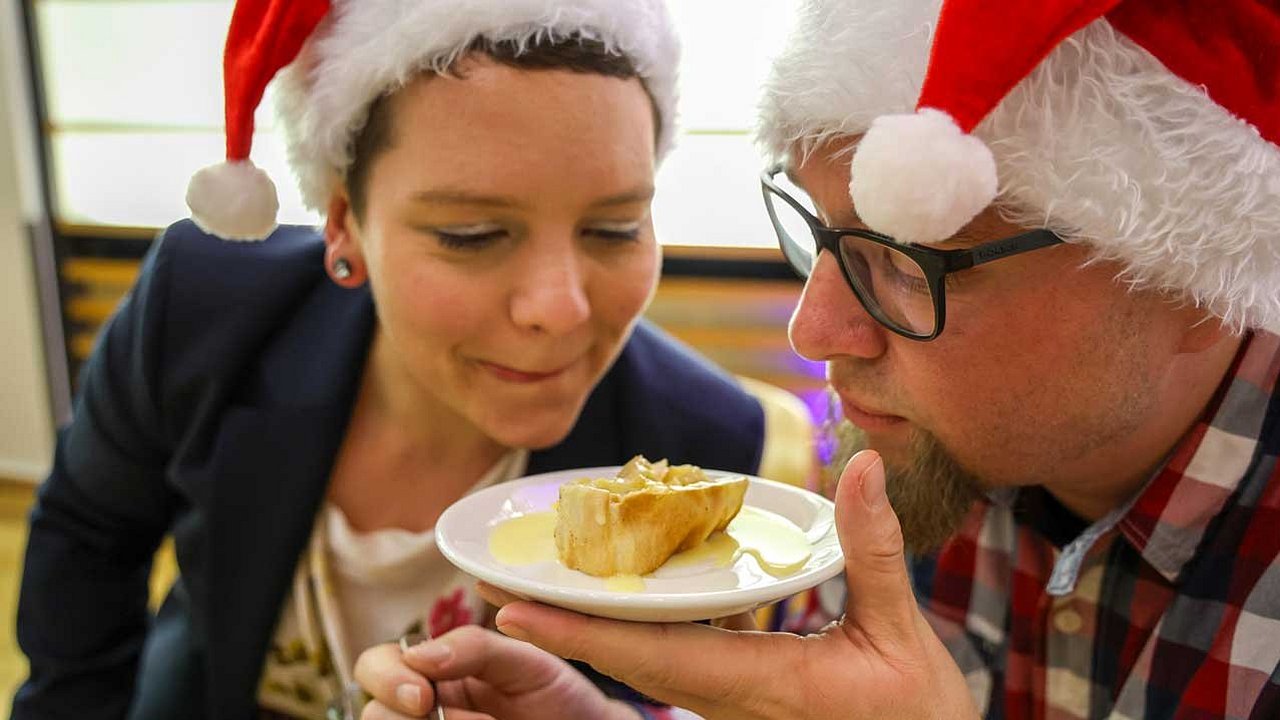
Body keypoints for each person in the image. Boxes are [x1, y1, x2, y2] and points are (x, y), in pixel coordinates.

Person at [361, 0, 1280, 717]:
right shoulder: (919, 467)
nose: (814, 330)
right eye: (822, 233)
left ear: (1191, 286)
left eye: (906, 262)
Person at [11, 1, 772, 718]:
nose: (560, 307)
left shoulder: (698, 444)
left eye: (614, 228)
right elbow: (88, 536)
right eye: (472, 234)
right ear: (344, 223)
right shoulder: (204, 311)